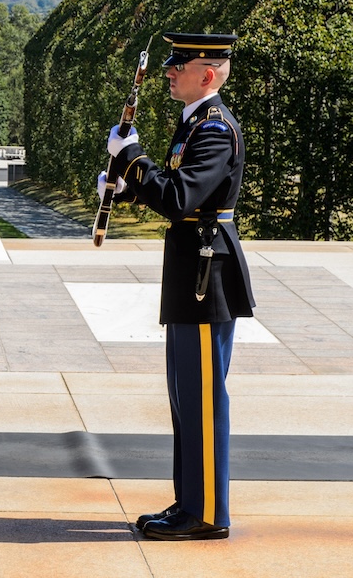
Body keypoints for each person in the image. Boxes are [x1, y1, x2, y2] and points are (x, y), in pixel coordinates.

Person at [100, 31, 255, 541]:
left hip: (206, 276)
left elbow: (179, 199)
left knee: (204, 399)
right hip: (192, 269)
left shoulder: (213, 128)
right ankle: (190, 501)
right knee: (186, 396)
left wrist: (132, 158)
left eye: (178, 66)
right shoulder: (193, 124)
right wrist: (125, 188)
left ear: (206, 75)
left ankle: (209, 513)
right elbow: (171, 190)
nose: (169, 72)